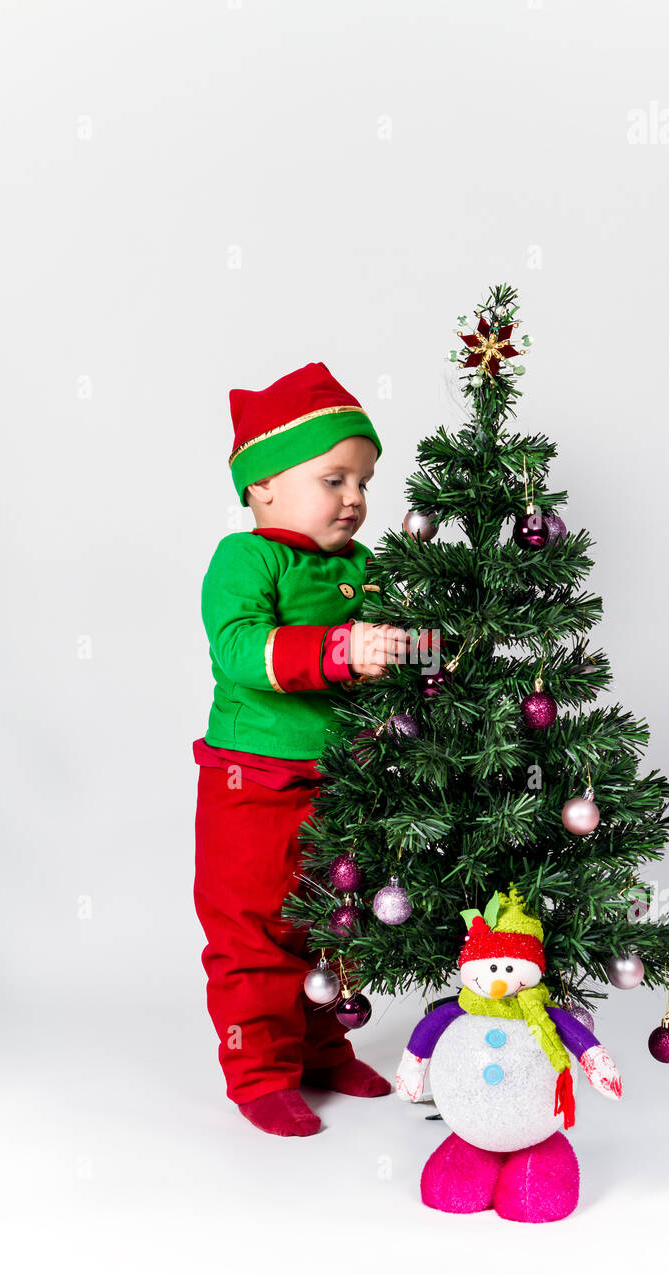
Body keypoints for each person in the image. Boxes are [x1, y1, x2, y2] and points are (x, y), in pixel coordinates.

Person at [193, 361, 409, 1136]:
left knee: (333, 919)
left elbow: (395, 651)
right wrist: (340, 651)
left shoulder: (364, 567)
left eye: (365, 481)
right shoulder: (247, 559)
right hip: (254, 783)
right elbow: (241, 649)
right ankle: (259, 1070)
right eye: (334, 478)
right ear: (263, 488)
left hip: (342, 780)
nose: (355, 498)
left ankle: (322, 1046)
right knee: (255, 928)